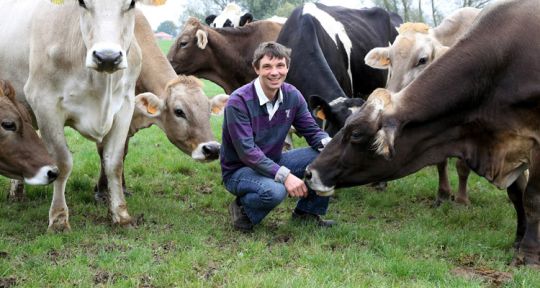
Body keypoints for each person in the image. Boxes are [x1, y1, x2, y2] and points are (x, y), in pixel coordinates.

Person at [220, 41, 335, 232]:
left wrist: (335, 147)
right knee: (275, 190)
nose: (275, 72)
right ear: (256, 68)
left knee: (328, 157)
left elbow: (313, 132)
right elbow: (248, 153)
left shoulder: (292, 96)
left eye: (280, 65)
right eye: (267, 66)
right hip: (240, 170)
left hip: (273, 160)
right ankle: (243, 210)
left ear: (287, 68)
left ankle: (306, 214)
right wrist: (286, 176)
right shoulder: (238, 102)